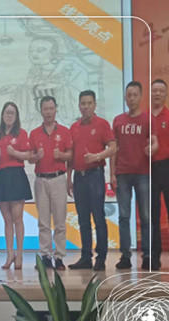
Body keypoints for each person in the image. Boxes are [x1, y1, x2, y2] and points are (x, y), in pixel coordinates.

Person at [67, 90, 116, 271]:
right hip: (78, 177)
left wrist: (97, 156)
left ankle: (101, 258)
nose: (86, 107)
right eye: (83, 103)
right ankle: (85, 257)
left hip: (95, 175)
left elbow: (113, 147)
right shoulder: (74, 127)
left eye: (89, 103)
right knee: (83, 219)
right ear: (79, 105)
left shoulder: (102, 124)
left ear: (94, 105)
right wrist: (68, 178)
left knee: (98, 217)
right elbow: (71, 155)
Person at [111, 81, 154, 270]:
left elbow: (154, 142)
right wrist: (112, 173)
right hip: (122, 174)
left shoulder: (148, 119)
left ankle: (148, 255)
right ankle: (125, 256)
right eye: (129, 95)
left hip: (143, 173)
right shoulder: (118, 120)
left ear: (141, 96)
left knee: (145, 216)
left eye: (135, 95)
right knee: (123, 216)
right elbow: (114, 149)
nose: (132, 98)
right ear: (125, 97)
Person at [29, 96, 72, 270]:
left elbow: (70, 154)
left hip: (58, 178)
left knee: (60, 221)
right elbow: (30, 158)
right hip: (41, 179)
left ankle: (59, 257)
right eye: (45, 109)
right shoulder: (34, 133)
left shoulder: (65, 131)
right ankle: (45, 256)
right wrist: (36, 157)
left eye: (51, 108)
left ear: (56, 109)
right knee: (43, 221)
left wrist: (61, 156)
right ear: (41, 111)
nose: (48, 112)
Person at [0, 102, 33, 270]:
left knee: (17, 218)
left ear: (16, 117)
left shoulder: (22, 134)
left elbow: (29, 155)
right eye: (6, 113)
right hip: (2, 176)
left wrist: (15, 153)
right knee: (7, 220)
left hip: (16, 176)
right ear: (2, 115)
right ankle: (10, 254)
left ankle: (20, 254)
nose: (9, 116)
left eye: (12, 113)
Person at [150, 79, 168, 271]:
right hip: (150, 170)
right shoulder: (145, 117)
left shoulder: (168, 116)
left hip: (167, 167)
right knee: (153, 215)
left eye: (160, 91)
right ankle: (154, 257)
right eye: (154, 90)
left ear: (165, 94)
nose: (157, 94)